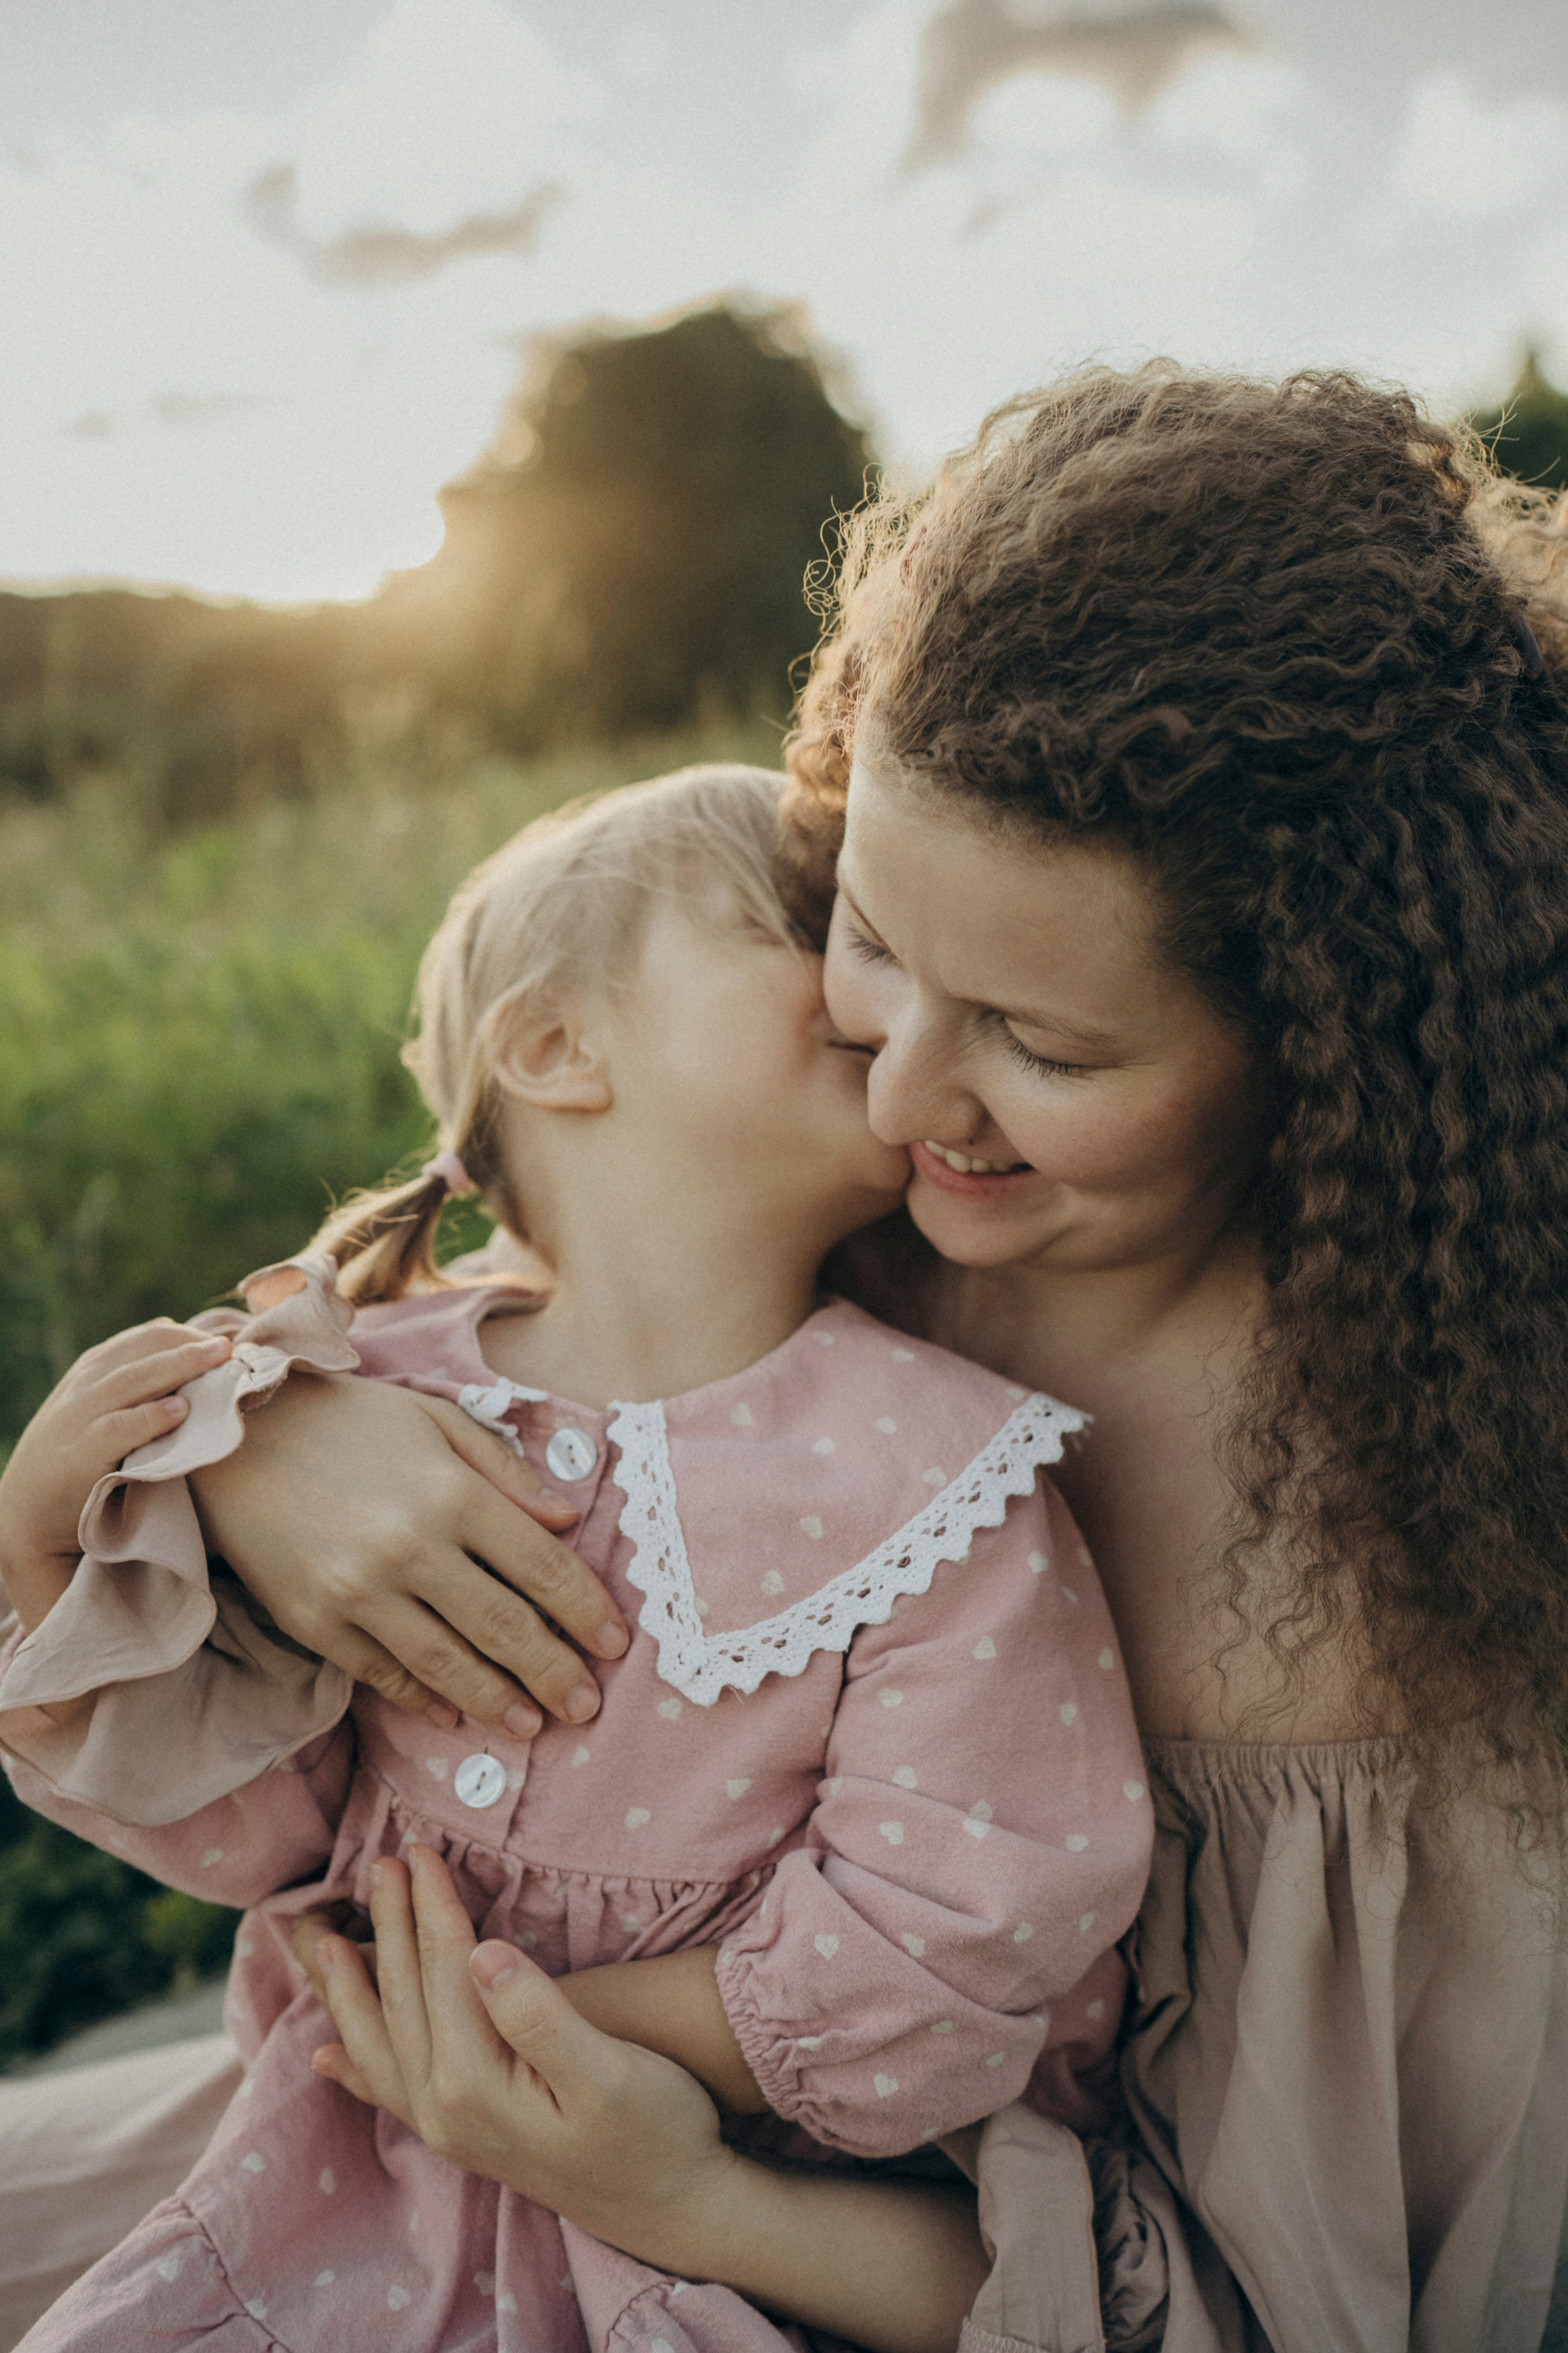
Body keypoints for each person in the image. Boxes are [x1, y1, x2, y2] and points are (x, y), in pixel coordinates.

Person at [4, 359, 1568, 2352]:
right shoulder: (847, 1230)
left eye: (1048, 1045)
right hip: (408, 2147)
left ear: (1330, 1044)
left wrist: (666, 2178)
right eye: (869, 945)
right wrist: (271, 1445)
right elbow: (488, 1287)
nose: (907, 1091)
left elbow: (1221, 2303)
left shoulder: (1425, 1517)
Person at [0, 765, 1151, 2353]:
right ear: (556, 1046)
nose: (867, 981)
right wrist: (45, 1541)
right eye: (807, 926)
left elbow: (966, 1916)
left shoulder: (944, 1471)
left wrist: (496, 2034)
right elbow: (260, 1828)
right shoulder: (355, 1396)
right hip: (344, 2178)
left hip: (716, 2214)